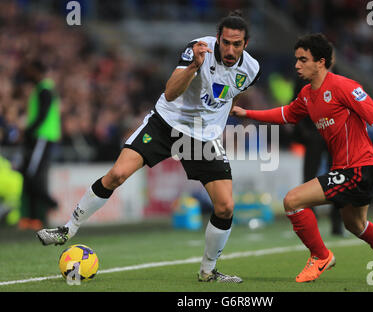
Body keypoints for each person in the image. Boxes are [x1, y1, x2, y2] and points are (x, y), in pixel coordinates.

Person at [37, 11, 261, 283]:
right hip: (166, 125)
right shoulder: (197, 50)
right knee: (117, 174)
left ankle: (207, 272)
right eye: (225, 42)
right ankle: (68, 229)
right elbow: (170, 92)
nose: (230, 49)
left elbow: (227, 92)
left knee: (225, 207)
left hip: (204, 138)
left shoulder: (251, 69)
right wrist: (193, 68)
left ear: (246, 44)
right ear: (217, 39)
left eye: (236, 44)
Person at [231, 33, 373, 285]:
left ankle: (320, 256)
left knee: (292, 200)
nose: (297, 65)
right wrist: (246, 112)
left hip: (358, 167)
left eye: (303, 60)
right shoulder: (306, 95)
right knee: (357, 226)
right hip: (348, 168)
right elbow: (286, 114)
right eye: (296, 60)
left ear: (321, 62)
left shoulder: (345, 87)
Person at [19, 60, 60, 230]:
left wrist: (29, 130)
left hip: (42, 137)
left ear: (36, 71)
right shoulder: (42, 89)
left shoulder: (44, 90)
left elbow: (42, 115)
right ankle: (32, 217)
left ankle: (47, 205)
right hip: (40, 137)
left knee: (33, 175)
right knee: (31, 175)